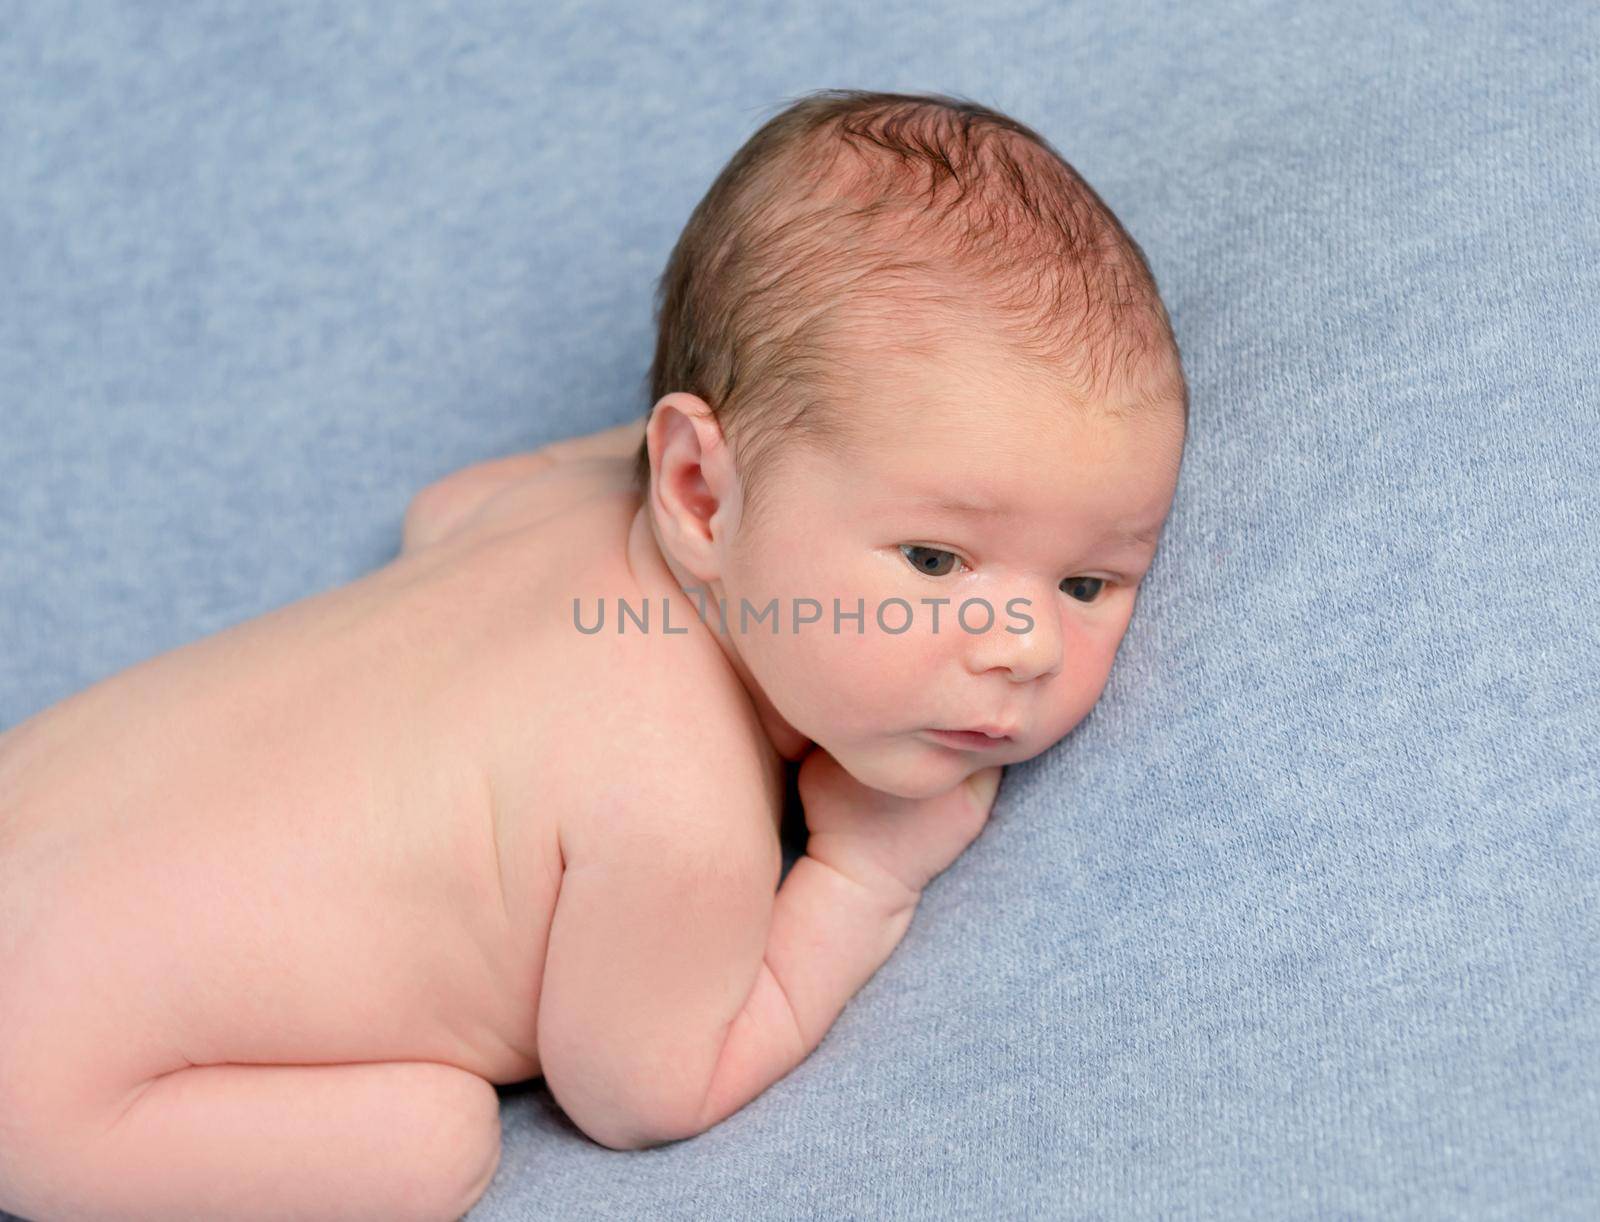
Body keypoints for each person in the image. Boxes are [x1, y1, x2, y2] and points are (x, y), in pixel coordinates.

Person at [0, 88, 1187, 1221]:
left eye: (1087, 583)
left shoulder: (552, 503)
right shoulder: (680, 814)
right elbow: (641, 1094)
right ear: (697, 491)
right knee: (437, 1142)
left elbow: (441, 505)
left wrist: (770, 430)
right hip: (45, 1092)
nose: (1022, 645)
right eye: (935, 561)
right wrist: (862, 879)